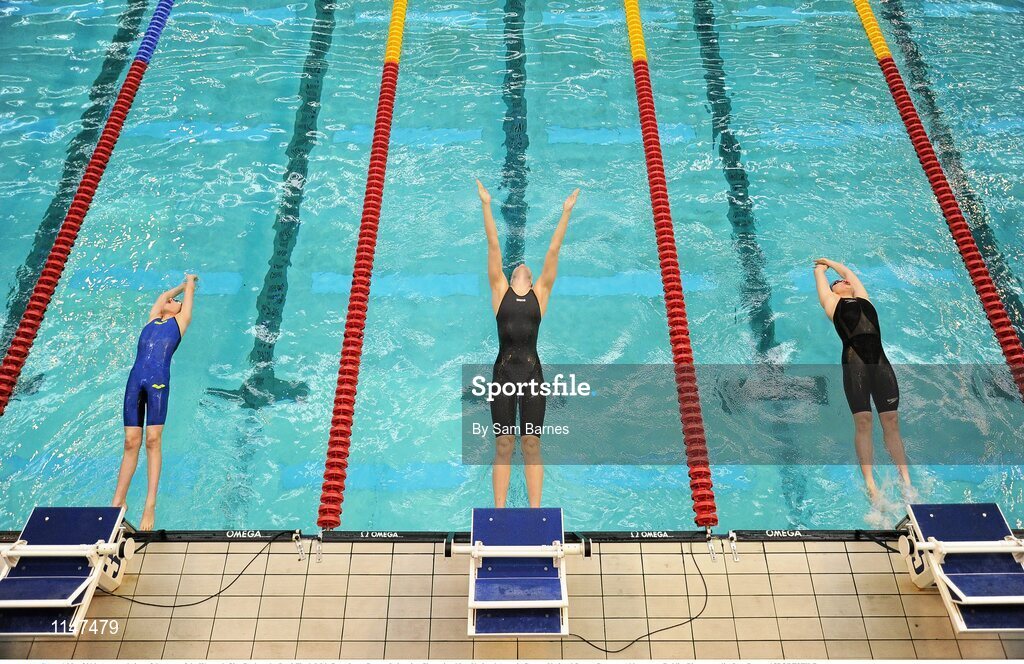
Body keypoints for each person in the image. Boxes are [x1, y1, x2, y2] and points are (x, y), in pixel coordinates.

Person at [476, 179, 580, 508]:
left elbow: (553, 250)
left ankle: (536, 513)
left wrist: (565, 213)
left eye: (526, 269)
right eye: (517, 266)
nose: (522, 264)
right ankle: (499, 512)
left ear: (533, 280)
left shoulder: (540, 296)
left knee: (532, 444)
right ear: (511, 276)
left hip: (533, 376)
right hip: (503, 376)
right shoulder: (499, 292)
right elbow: (493, 246)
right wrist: (486, 205)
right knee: (505, 445)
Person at [814, 258, 911, 501]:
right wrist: (821, 269)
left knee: (891, 420)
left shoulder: (864, 300)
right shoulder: (832, 303)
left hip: (880, 361)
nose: (843, 281)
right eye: (837, 283)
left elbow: (848, 272)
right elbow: (822, 283)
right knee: (865, 422)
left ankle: (905, 481)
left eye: (845, 281)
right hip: (854, 362)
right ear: (833, 290)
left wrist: (831, 262)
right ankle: (871, 485)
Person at [112, 274, 198, 530]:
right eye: (169, 299)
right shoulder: (152, 319)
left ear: (180, 309)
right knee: (130, 442)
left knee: (152, 440)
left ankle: (150, 504)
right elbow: (162, 296)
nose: (170, 300)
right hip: (134, 382)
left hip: (158, 383)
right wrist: (178, 287)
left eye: (176, 300)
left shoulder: (181, 322)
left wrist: (189, 283)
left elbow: (187, 295)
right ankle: (118, 501)